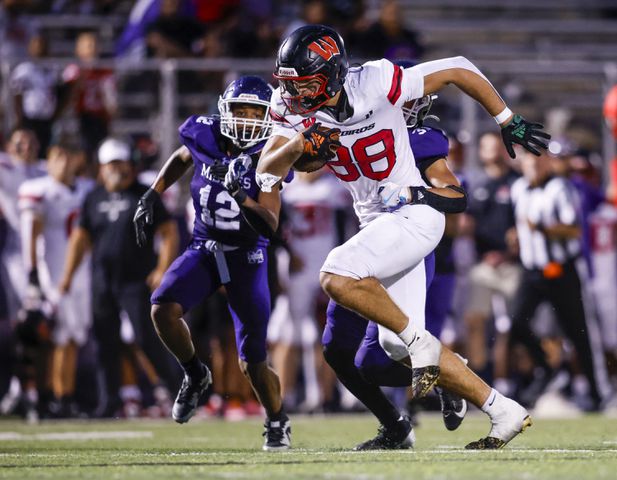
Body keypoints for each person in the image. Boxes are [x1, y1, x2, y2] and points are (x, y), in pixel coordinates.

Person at [256, 24, 549, 449]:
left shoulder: (375, 80)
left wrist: (506, 118)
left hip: (415, 214)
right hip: (378, 225)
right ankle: (504, 410)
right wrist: (298, 144)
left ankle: (422, 343)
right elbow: (270, 167)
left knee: (336, 275)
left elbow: (457, 68)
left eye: (306, 84)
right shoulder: (290, 107)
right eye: (291, 85)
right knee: (394, 349)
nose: (296, 94)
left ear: (335, 73)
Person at [133, 76, 292, 451]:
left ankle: (276, 419)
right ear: (225, 111)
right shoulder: (205, 134)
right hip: (204, 245)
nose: (248, 121)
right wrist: (153, 193)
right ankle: (194, 373)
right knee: (162, 309)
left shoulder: (270, 154)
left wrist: (240, 194)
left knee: (252, 361)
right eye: (241, 111)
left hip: (247, 256)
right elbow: (182, 156)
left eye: (257, 113)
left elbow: (270, 223)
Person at [323, 92, 467, 449]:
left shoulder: (421, 139)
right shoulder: (356, 126)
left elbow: (453, 193)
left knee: (374, 362)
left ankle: (452, 373)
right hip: (365, 247)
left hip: (403, 247)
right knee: (335, 349)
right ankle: (395, 427)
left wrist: (417, 196)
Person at [59, 137, 179, 417]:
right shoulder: (94, 197)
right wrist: (67, 275)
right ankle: (108, 400)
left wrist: (163, 269)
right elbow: (81, 237)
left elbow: (168, 231)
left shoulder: (144, 194)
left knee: (146, 337)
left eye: (121, 163)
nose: (117, 169)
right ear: (101, 168)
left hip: (136, 278)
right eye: (111, 164)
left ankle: (176, 390)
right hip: (102, 278)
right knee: (104, 340)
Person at [508, 150, 604, 410]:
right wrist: (515, 238)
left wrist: (541, 228)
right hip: (532, 270)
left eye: (539, 161)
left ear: (547, 163)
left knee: (577, 331)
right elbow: (517, 225)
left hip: (560, 269)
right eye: (529, 162)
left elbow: (573, 229)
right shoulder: (518, 188)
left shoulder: (560, 188)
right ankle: (545, 367)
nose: (534, 167)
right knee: (515, 322)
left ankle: (596, 393)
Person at [18, 142, 95, 417]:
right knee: (53, 337)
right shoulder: (39, 191)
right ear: (47, 162)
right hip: (52, 273)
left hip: (81, 274)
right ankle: (45, 396)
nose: (63, 162)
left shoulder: (87, 190)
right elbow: (31, 233)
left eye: (68, 155)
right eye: (57, 156)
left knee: (73, 337)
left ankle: (64, 397)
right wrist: (33, 273)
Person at [462, 131, 521, 386]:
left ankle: (509, 377)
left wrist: (512, 248)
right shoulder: (475, 184)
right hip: (484, 263)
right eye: (488, 146)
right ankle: (481, 376)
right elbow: (468, 224)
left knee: (515, 325)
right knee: (474, 318)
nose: (494, 151)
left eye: (497, 146)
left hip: (513, 264)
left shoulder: (517, 182)